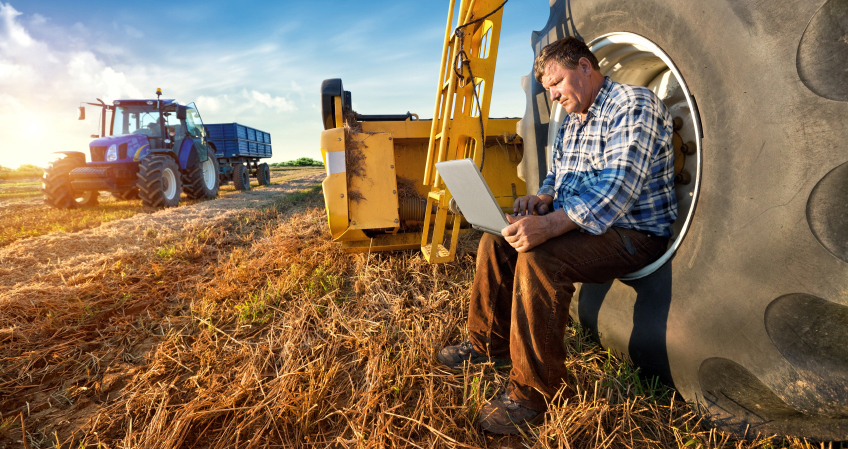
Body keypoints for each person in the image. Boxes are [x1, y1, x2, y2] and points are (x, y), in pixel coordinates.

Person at [436, 36, 678, 434]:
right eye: (546, 88)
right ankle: (485, 346)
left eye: (556, 83)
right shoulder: (573, 119)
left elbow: (618, 188)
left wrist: (549, 226)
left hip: (632, 231)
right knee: (497, 241)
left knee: (539, 257)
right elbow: (558, 173)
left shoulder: (633, 105)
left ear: (585, 67)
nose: (552, 95)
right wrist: (543, 199)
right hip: (585, 225)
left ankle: (535, 393)